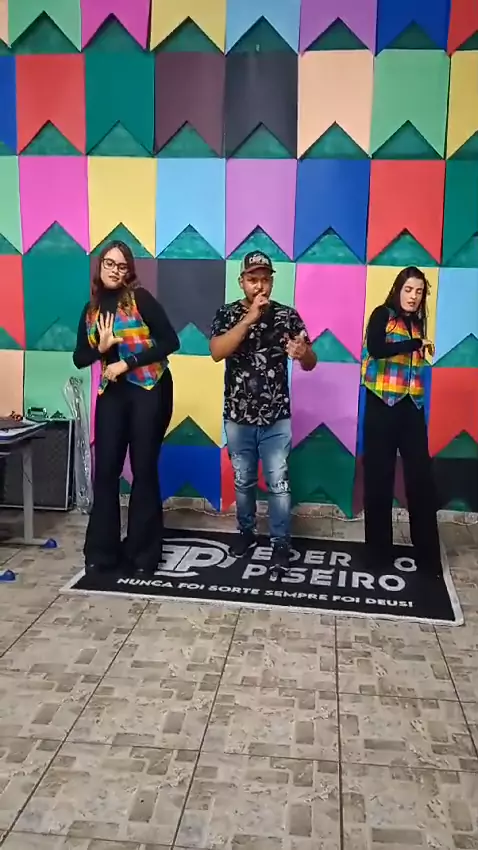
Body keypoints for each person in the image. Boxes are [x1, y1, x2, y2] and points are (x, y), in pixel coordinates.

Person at [73, 240, 179, 577]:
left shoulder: (140, 300)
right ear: (100, 265)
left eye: (122, 266)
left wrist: (127, 362)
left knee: (143, 469)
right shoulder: (90, 311)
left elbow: (170, 341)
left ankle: (143, 553)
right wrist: (101, 348)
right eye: (110, 263)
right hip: (113, 394)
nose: (115, 270)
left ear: (128, 271)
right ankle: (101, 552)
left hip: (150, 389)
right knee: (106, 471)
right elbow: (80, 358)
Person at [210, 251, 317, 572]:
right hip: (238, 417)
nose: (260, 286)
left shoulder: (287, 316)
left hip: (276, 417)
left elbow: (311, 363)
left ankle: (281, 543)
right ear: (241, 281)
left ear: (272, 282)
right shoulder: (227, 313)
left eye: (265, 280)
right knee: (243, 481)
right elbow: (217, 352)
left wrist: (303, 353)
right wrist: (248, 319)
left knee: (278, 483)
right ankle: (246, 532)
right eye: (253, 279)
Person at [361, 266, 441, 574]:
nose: (413, 296)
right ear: (398, 290)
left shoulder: (417, 323)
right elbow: (376, 348)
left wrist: (418, 342)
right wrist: (415, 344)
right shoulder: (382, 315)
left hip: (412, 409)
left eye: (419, 291)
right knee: (378, 481)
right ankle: (377, 556)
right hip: (382, 407)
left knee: (421, 481)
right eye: (409, 290)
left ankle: (428, 557)